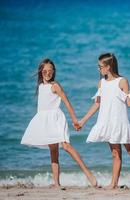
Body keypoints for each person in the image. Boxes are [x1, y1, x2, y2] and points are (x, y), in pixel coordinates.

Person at [21, 58, 98, 189]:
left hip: (56, 119)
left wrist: (75, 120)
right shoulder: (40, 86)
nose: (47, 73)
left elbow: (67, 102)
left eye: (50, 71)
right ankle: (56, 183)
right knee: (53, 151)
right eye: (45, 71)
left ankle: (88, 174)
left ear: (53, 72)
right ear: (41, 72)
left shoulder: (55, 86)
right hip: (45, 120)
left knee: (66, 146)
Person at [79, 53, 130, 191]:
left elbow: (129, 102)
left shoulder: (122, 81)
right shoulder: (101, 83)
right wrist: (83, 121)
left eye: (100, 67)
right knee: (115, 153)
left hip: (120, 122)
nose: (99, 69)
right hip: (107, 122)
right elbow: (97, 105)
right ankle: (114, 183)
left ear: (108, 67)